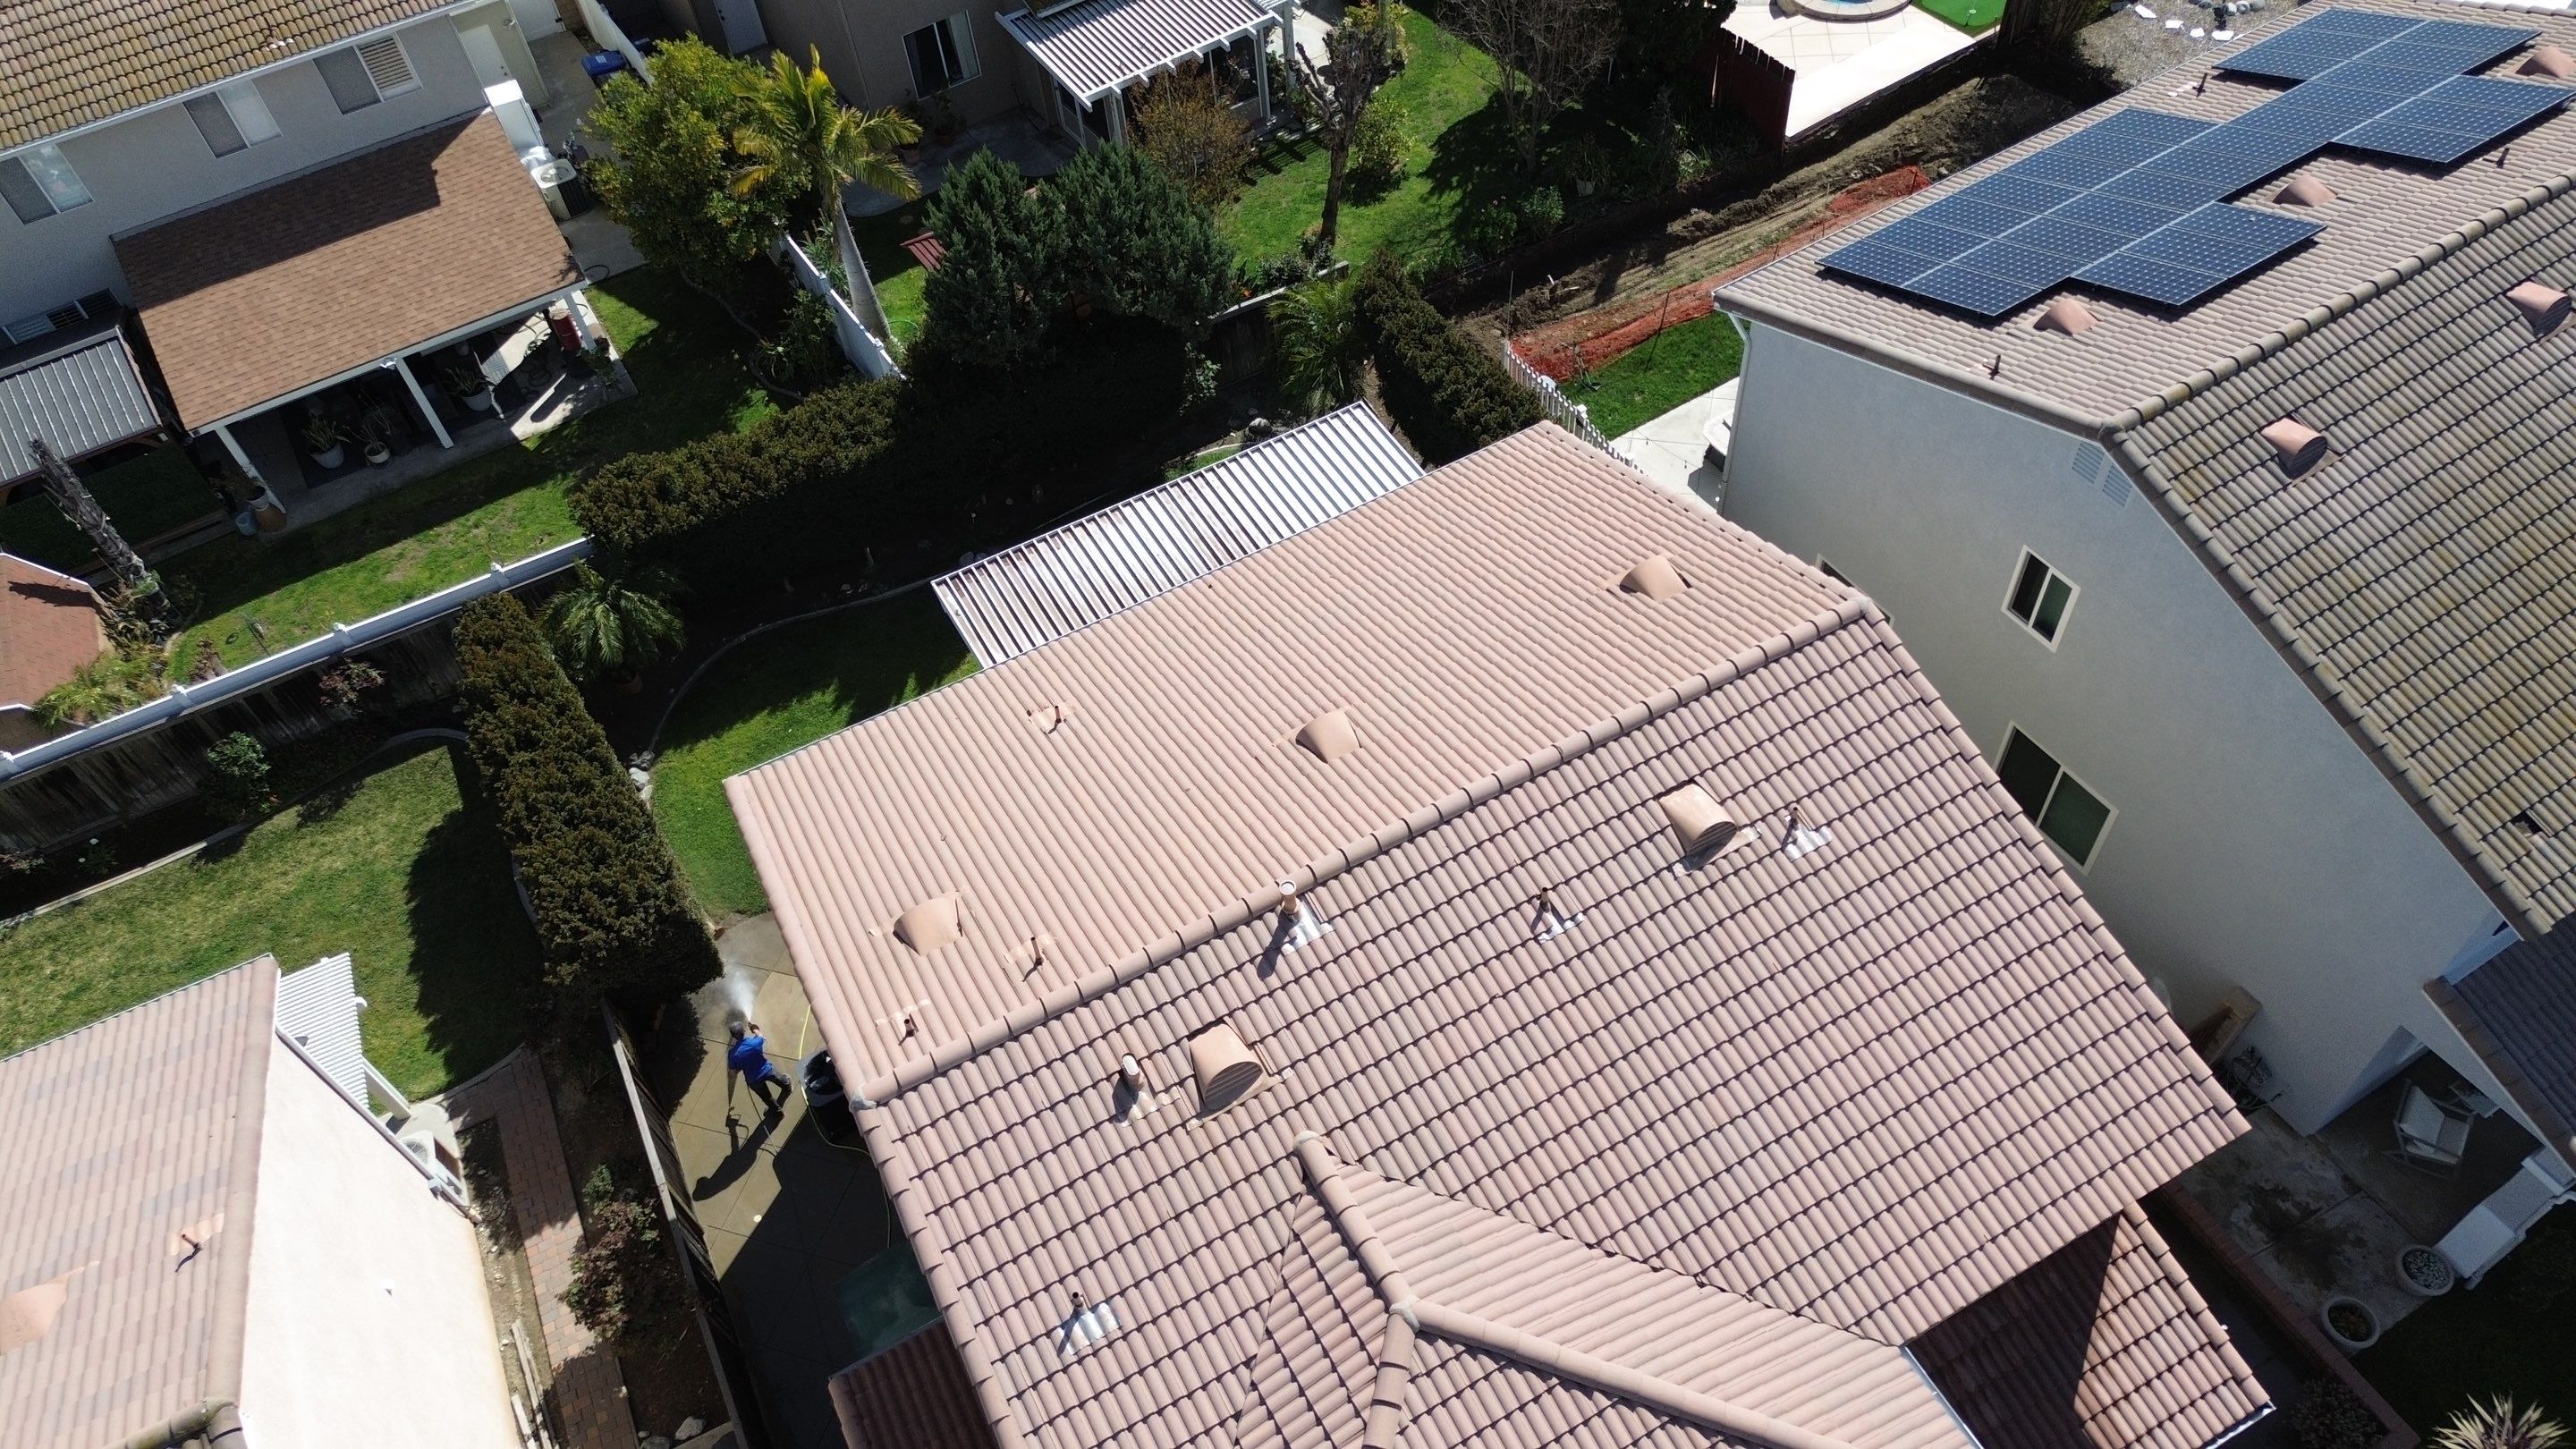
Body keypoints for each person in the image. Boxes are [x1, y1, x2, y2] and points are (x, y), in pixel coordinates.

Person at [727, 1021, 791, 1114]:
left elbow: (733, 1072)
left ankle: (777, 1113)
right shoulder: (755, 1042)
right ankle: (787, 1087)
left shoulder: (732, 1054)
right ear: (744, 1031)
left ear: (733, 1036)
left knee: (766, 1097)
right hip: (767, 1070)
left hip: (753, 1080)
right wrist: (753, 1027)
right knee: (782, 1081)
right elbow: (760, 1035)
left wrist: (742, 1065)